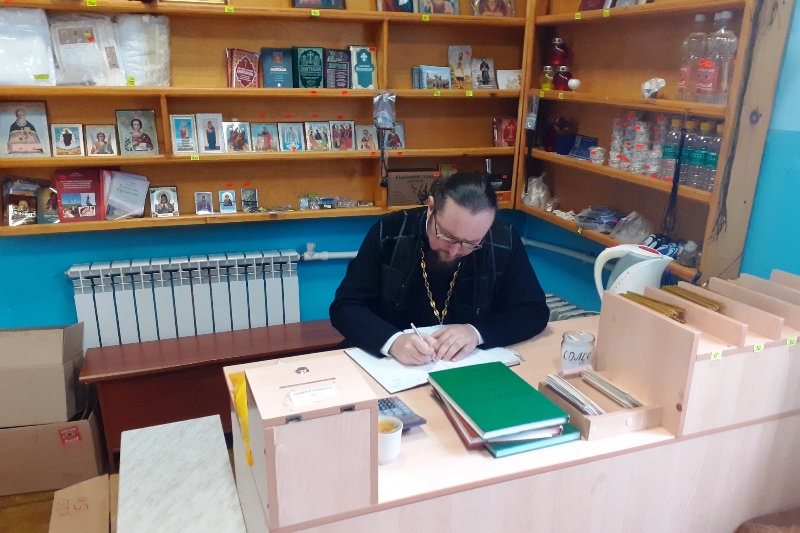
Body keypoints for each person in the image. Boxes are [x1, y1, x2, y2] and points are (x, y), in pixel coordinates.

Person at [330, 172, 549, 366]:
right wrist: (393, 342)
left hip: (463, 369)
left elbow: (533, 310)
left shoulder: (504, 238)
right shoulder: (388, 232)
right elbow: (345, 307)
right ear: (431, 208)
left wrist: (477, 333)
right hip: (389, 367)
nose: (454, 251)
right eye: (447, 236)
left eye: (471, 243)